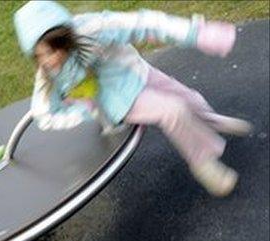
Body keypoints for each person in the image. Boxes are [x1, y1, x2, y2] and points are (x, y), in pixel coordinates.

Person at [13, 1, 252, 197]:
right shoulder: (47, 75)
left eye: (52, 50)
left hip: (137, 72)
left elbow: (144, 24)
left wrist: (194, 33)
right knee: (173, 111)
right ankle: (204, 165)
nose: (49, 60)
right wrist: (84, 112)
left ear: (65, 37)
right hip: (116, 99)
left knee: (188, 99)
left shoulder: (92, 30)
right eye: (39, 56)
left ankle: (211, 121)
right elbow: (44, 114)